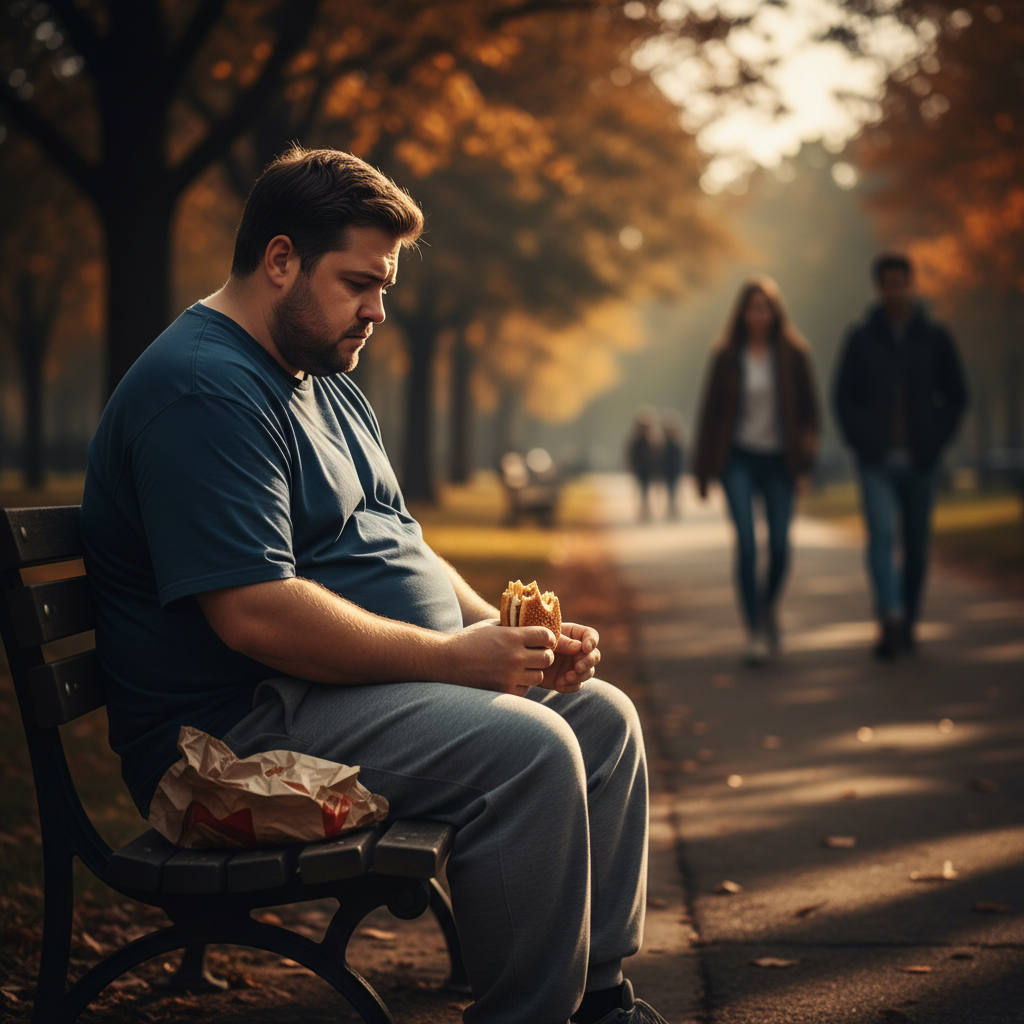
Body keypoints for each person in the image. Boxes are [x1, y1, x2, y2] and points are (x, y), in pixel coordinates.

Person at [80, 146, 665, 1024]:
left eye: (384, 286)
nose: (377, 310)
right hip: (235, 735)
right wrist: (452, 658)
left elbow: (403, 545)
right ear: (280, 261)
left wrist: (510, 637)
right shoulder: (206, 389)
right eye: (359, 282)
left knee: (601, 719)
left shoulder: (321, 371)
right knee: (532, 751)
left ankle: (600, 1000)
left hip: (331, 696)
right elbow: (251, 613)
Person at [834, 253, 968, 660]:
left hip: (921, 460)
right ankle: (890, 617)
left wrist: (936, 438)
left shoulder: (935, 337)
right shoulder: (860, 338)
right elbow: (843, 397)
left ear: (911, 284)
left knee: (916, 545)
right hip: (876, 461)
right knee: (881, 538)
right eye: (887, 282)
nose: (894, 289)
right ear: (879, 288)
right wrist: (861, 439)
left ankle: (908, 620)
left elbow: (957, 395)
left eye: (901, 281)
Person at [693, 277, 820, 665]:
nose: (759, 314)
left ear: (775, 311)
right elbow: (710, 414)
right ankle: (754, 631)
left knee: (780, 546)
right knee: (747, 545)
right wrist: (702, 472)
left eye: (765, 307)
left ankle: (767, 612)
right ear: (743, 313)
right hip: (739, 459)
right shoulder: (727, 356)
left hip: (781, 462)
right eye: (752, 307)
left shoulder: (794, 355)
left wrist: (805, 465)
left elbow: (810, 415)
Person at [626, 407, 661, 521]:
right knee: (642, 492)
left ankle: (647, 513)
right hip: (640, 471)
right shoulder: (636, 441)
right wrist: (633, 468)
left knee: (647, 492)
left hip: (649, 471)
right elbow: (632, 456)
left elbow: (657, 457)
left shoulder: (654, 440)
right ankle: (643, 513)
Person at [660, 411, 685, 520]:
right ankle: (670, 511)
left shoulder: (677, 443)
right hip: (667, 472)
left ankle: (675, 512)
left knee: (674, 492)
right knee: (670, 492)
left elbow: (681, 458)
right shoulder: (663, 444)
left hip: (675, 471)